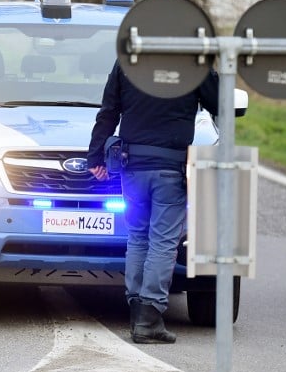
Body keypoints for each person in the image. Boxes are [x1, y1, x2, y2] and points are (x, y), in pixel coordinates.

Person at [86, 61, 219, 344]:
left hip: (132, 166)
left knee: (137, 238)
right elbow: (219, 101)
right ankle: (149, 318)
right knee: (162, 242)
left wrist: (95, 156)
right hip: (170, 169)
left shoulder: (129, 60)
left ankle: (137, 311)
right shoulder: (193, 62)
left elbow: (108, 111)